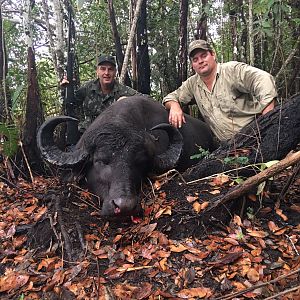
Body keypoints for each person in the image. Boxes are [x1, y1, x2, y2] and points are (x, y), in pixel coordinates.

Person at [163, 39, 277, 142]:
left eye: (204, 56)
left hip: (257, 134)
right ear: (192, 65)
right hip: (229, 146)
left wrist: (268, 116)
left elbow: (263, 79)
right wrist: (174, 106)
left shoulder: (231, 70)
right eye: (195, 59)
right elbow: (171, 97)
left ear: (213, 55)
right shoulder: (192, 84)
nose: (200, 61)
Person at [62, 54, 143, 133]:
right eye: (103, 69)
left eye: (110, 69)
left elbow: (146, 100)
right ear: (97, 71)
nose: (106, 73)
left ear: (115, 72)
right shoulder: (87, 88)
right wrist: (64, 89)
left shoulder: (123, 90)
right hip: (88, 134)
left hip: (112, 135)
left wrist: (129, 101)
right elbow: (70, 104)